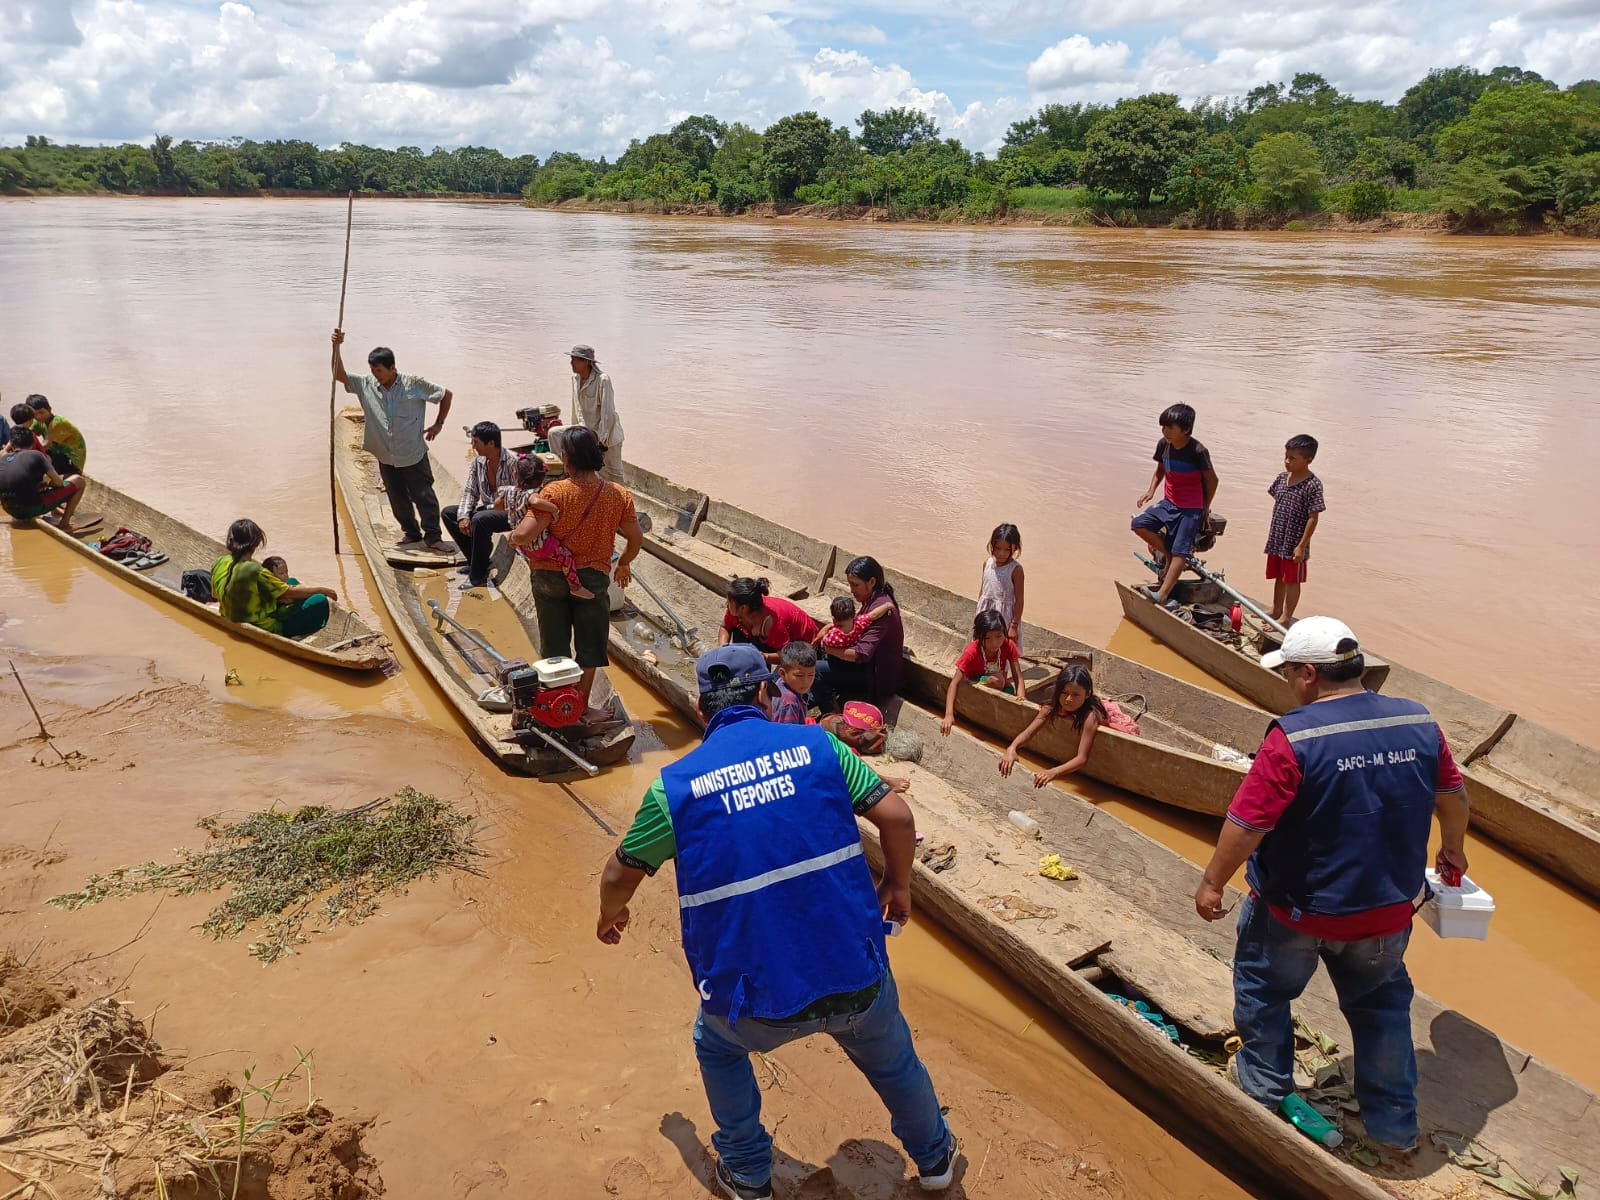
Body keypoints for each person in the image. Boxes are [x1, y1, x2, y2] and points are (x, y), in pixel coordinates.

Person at [595, 645, 958, 1199]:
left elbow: (620, 874)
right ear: (767, 693)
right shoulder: (822, 747)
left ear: (702, 709)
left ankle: (747, 1174)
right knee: (891, 1058)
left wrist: (611, 914)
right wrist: (898, 884)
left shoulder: (674, 789)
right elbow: (898, 817)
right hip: (855, 974)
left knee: (718, 1048)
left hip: (753, 999)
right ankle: (935, 1160)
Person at [1193, 616, 1470, 1156]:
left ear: (1307, 674)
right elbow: (1453, 798)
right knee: (1381, 1008)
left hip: (1297, 911)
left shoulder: (1293, 737)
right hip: (1388, 913)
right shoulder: (1418, 722)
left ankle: (1263, 1092)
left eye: (1287, 673)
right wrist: (1453, 849)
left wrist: (1211, 882)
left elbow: (1247, 826)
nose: (1287, 684)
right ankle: (1394, 1129)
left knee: (1264, 991)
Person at [516, 426, 642, 722]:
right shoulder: (619, 495)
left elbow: (524, 535)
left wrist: (515, 530)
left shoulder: (554, 492)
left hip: (549, 577)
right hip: (593, 578)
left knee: (554, 645)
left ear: (566, 458)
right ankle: (581, 708)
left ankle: (557, 706)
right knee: (590, 647)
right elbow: (636, 540)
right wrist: (623, 563)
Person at [331, 328, 454, 554]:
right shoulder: (366, 384)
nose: (375, 374)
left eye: (379, 370)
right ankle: (411, 533)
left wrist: (439, 423)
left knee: (424, 497)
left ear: (392, 368)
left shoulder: (413, 384)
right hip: (385, 454)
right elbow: (338, 374)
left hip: (413, 453)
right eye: (372, 370)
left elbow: (446, 395)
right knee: (397, 499)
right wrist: (336, 347)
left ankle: (433, 537)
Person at [1132, 403, 1218, 609]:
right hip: (1170, 502)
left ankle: (1162, 595)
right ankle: (1169, 556)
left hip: (1191, 508)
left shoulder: (1198, 451)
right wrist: (1151, 490)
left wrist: (1205, 509)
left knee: (1182, 551)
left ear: (1186, 430)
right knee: (1139, 524)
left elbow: (1213, 481)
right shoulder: (1164, 445)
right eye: (1163, 427)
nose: (1165, 432)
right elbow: (1160, 470)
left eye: (1170, 428)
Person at [998, 662, 1140, 786]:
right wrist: (1012, 748)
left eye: (1076, 695)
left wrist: (1053, 772)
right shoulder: (1051, 707)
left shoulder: (1092, 716)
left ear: (1087, 694)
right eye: (1064, 693)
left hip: (1106, 717)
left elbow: (1082, 758)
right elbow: (1029, 733)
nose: (1068, 699)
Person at [211, 519, 338, 638]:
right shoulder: (254, 571)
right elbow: (290, 593)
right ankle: (293, 632)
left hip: (228, 615)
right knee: (320, 600)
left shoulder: (220, 561)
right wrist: (323, 590)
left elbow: (214, 594)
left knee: (291, 581)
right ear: (256, 543)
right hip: (265, 626)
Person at [813, 556, 904, 713]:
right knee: (819, 658)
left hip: (873, 677)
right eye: (850, 584)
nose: (851, 590)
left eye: (855, 585)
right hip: (864, 667)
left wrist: (829, 649)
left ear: (872, 582)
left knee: (813, 670)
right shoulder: (873, 600)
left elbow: (862, 654)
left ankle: (832, 714)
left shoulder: (882, 611)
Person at [501, 454, 593, 599]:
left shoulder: (508, 492)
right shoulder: (531, 494)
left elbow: (497, 505)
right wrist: (554, 509)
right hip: (541, 545)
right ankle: (575, 586)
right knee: (566, 556)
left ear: (515, 474)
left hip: (524, 547)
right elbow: (536, 502)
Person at [442, 421, 518, 590]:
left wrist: (480, 513)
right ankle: (476, 561)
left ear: (491, 443)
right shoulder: (478, 462)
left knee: (480, 519)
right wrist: (463, 516)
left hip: (511, 513)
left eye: (476, 442)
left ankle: (477, 577)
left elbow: (519, 497)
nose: (473, 446)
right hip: (488, 510)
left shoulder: (513, 462)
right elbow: (470, 492)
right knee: (449, 514)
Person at [1265, 435, 1325, 625]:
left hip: (1295, 541)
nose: (1287, 461)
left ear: (1308, 460)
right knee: (1279, 576)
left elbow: (1313, 517)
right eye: (1286, 457)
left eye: (1292, 458)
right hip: (1278, 537)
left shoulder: (1313, 485)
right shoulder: (1282, 478)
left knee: (1292, 580)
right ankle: (1275, 609)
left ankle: (1286, 617)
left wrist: (1301, 546)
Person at [940, 610, 1026, 737]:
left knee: (1008, 691)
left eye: (999, 636)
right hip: (975, 682)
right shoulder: (972, 651)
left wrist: (1022, 698)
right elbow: (954, 683)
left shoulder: (1008, 645)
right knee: (997, 680)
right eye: (988, 638)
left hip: (1001, 684)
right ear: (980, 638)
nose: (995, 643)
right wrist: (949, 714)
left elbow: (1018, 676)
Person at [0, 425, 87, 530]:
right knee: (79, 481)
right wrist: (50, 484)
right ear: (33, 443)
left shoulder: (3, 459)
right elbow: (59, 483)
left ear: (12, 445)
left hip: (9, 509)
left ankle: (51, 511)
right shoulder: (37, 455)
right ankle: (64, 524)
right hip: (31, 508)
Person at [717, 577, 819, 663]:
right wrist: (723, 648)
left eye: (729, 601)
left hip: (804, 647)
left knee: (755, 656)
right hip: (773, 641)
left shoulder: (773, 624)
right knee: (741, 640)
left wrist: (764, 657)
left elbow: (787, 655)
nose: (726, 604)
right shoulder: (738, 612)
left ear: (743, 608)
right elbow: (725, 627)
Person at [568, 345, 625, 485]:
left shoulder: (602, 380)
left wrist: (601, 442)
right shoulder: (575, 379)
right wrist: (575, 434)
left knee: (614, 475)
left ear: (587, 362)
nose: (571, 363)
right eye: (571, 359)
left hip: (608, 438)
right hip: (587, 435)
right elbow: (576, 408)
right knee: (595, 475)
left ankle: (623, 498)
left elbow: (608, 413)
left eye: (575, 360)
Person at [976, 523, 1025, 646]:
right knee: (982, 646)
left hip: (1004, 619)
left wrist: (1013, 626)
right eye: (998, 548)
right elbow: (982, 592)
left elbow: (1020, 600)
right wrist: (978, 616)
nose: (1002, 553)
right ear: (992, 545)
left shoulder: (1016, 570)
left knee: (1002, 648)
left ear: (1015, 548)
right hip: (985, 614)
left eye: (1007, 550)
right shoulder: (987, 564)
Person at [25, 395, 86, 476]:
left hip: (72, 461)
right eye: (34, 414)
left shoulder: (58, 422)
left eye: (41, 412)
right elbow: (25, 434)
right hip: (56, 454)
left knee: (36, 459)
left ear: (49, 409)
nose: (38, 417)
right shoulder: (38, 422)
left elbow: (45, 445)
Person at [820, 594, 894, 652]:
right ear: (854, 614)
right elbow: (874, 615)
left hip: (836, 659)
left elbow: (824, 643)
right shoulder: (860, 622)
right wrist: (887, 606)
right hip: (852, 655)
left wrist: (824, 636)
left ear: (834, 620)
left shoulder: (833, 634)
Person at [772, 640, 816, 725]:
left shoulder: (781, 684)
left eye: (811, 675)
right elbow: (789, 732)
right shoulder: (790, 703)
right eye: (799, 675)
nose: (806, 682)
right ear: (782, 673)